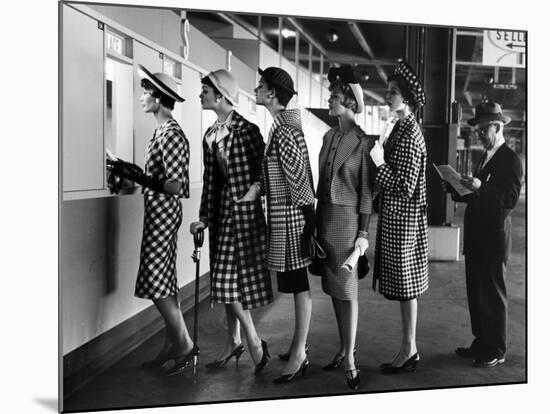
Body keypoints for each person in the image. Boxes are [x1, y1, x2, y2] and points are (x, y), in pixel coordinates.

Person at [107, 64, 197, 376]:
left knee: (155, 279)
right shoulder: (162, 132)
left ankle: (184, 344)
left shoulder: (171, 134)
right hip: (159, 210)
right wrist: (133, 174)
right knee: (164, 279)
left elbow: (174, 185)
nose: (142, 97)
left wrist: (141, 177)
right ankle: (172, 344)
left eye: (146, 92)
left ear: (159, 99)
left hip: (163, 211)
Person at [190, 69, 272, 375]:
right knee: (227, 284)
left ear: (222, 95)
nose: (201, 95)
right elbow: (210, 181)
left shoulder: (248, 131)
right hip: (223, 215)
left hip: (245, 216)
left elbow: (264, 173)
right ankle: (234, 340)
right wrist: (202, 218)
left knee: (227, 283)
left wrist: (253, 195)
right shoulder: (210, 135)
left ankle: (251, 340)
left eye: (205, 91)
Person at [444, 102, 522, 368]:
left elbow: (508, 201)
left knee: (493, 296)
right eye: (476, 130)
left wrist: (480, 188)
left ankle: (496, 348)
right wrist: (458, 188)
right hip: (476, 237)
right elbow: (479, 196)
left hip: (493, 239)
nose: (478, 134)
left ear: (497, 127)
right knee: (476, 294)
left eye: (482, 129)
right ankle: (482, 341)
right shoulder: (485, 157)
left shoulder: (510, 160)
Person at [252, 67, 315, 384]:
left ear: (273, 93)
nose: (257, 89)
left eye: (261, 85)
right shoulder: (282, 126)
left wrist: (308, 223)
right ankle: (297, 346)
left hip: (291, 219)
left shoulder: (285, 130)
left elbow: (299, 179)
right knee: (294, 285)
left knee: (298, 284)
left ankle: (301, 353)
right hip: (287, 217)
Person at [315, 65, 373, 390]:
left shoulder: (362, 142)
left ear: (350, 102)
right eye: (331, 95)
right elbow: (322, 180)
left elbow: (366, 193)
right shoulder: (328, 135)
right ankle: (342, 347)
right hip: (325, 219)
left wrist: (363, 234)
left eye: (335, 97)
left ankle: (350, 358)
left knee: (348, 292)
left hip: (349, 223)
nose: (329, 100)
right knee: (333, 290)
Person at [369, 60, 428, 374]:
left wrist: (379, 163)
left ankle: (409, 349)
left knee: (407, 287)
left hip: (404, 222)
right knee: (406, 288)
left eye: (392, 92)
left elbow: (405, 186)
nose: (387, 96)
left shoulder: (411, 135)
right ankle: (409, 347)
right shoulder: (400, 128)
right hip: (397, 219)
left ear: (406, 98)